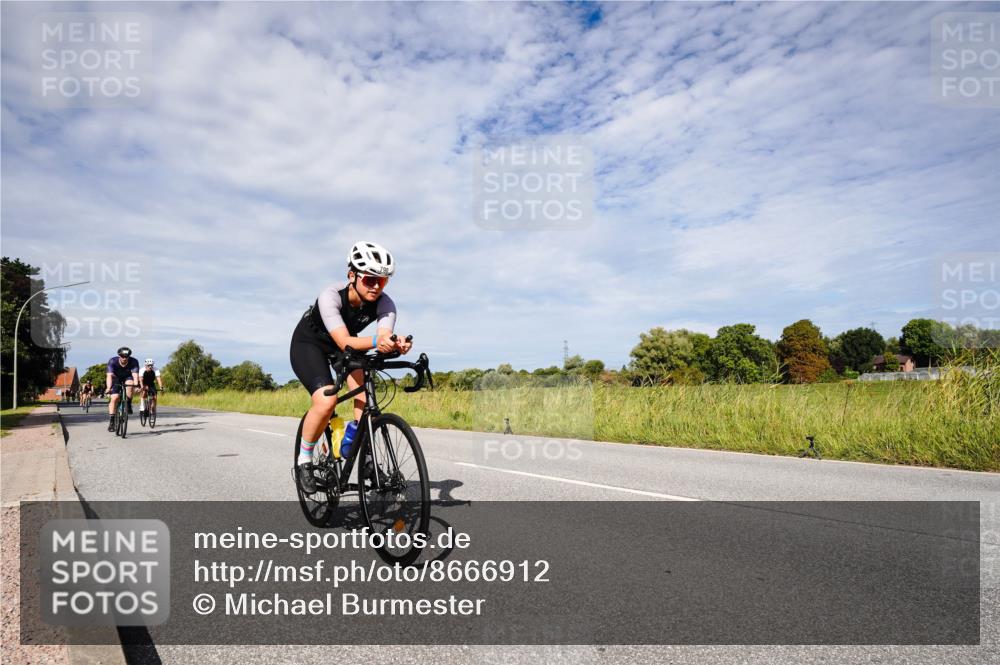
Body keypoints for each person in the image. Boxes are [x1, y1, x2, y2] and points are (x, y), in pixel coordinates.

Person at [289, 241, 412, 493]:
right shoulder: (330, 296)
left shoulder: (385, 303)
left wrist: (394, 343)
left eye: (383, 280)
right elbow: (344, 341)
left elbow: (383, 334)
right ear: (352, 276)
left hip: (345, 347)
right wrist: (379, 341)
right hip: (310, 344)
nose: (376, 286)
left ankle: (362, 455)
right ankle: (304, 461)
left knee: (364, 399)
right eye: (369, 280)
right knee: (326, 403)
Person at [106, 346, 140, 431]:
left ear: (129, 356)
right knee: (114, 398)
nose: (124, 358)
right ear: (119, 356)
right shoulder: (112, 361)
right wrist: (108, 388)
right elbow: (109, 376)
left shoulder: (134, 361)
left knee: (130, 384)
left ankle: (128, 403)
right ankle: (112, 421)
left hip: (128, 377)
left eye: (126, 357)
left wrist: (136, 385)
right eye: (122, 356)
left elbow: (135, 376)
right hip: (116, 378)